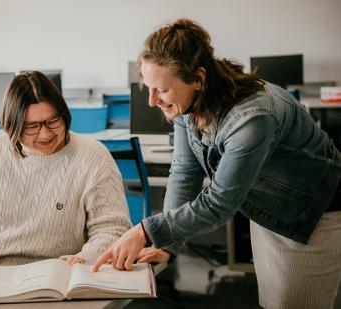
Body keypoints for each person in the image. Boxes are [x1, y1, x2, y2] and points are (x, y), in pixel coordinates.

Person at [92, 18, 341, 308]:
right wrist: (168, 245)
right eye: (147, 88)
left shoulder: (253, 118)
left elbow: (219, 203)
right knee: (274, 301)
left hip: (312, 215)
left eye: (161, 90)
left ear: (197, 79)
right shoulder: (189, 105)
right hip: (271, 208)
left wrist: (145, 231)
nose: (151, 101)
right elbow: (185, 172)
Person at [0, 71, 131, 266]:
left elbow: (112, 228)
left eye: (53, 121)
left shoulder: (93, 156)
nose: (45, 134)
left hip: (62, 272)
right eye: (31, 126)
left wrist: (84, 259)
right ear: (12, 125)